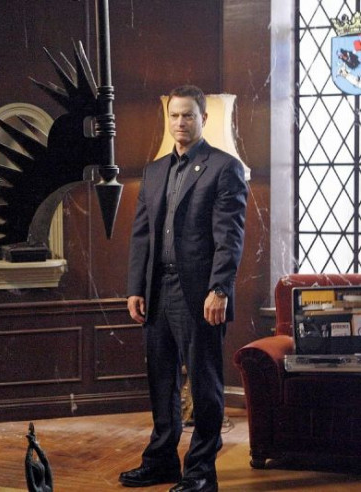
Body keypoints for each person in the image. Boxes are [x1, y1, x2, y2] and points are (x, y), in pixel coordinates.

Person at [119, 85, 247, 492]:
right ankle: (161, 462)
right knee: (162, 383)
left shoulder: (224, 168)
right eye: (174, 115)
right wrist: (136, 288)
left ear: (202, 118)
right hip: (158, 290)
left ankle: (200, 474)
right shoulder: (154, 171)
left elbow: (230, 237)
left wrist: (220, 289)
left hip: (202, 295)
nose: (180, 122)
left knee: (205, 387)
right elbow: (142, 235)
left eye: (188, 115)